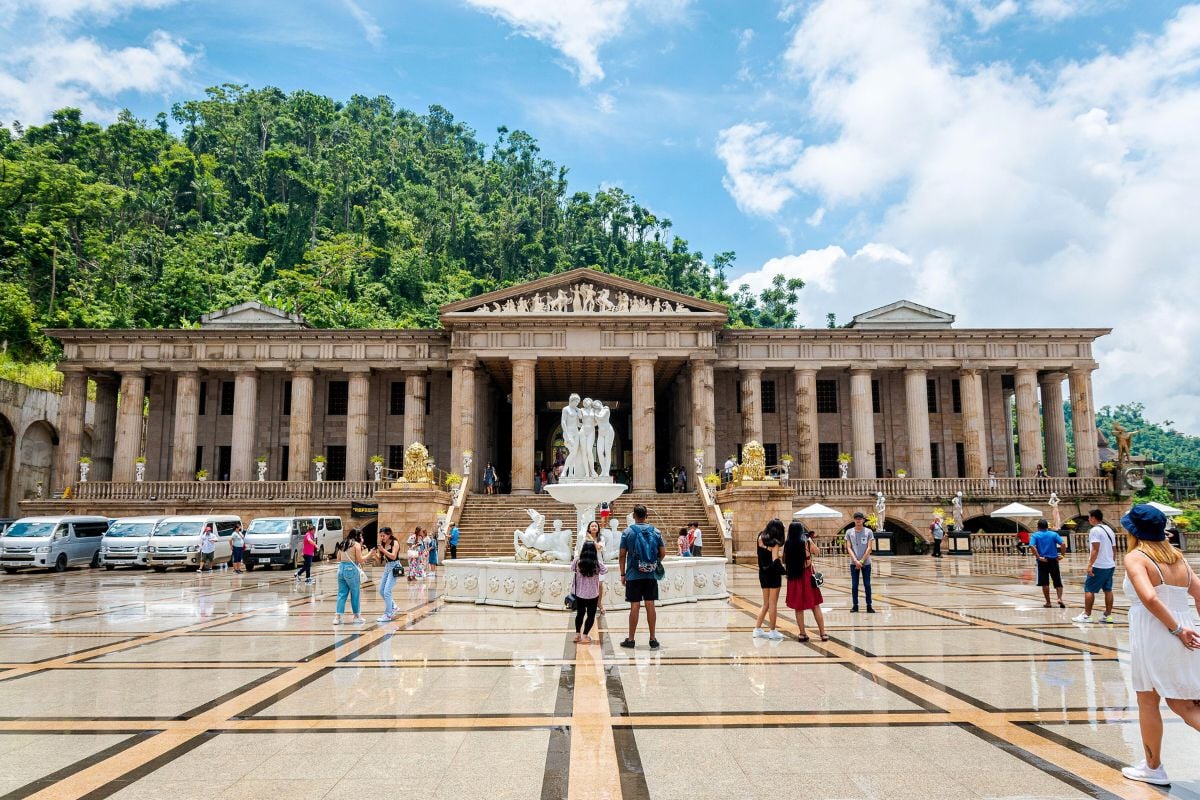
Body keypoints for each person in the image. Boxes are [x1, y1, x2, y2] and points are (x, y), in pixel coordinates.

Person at [1117, 504, 1200, 787]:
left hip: (1157, 631)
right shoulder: (1178, 558)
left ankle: (1154, 768)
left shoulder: (1136, 558)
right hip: (1182, 629)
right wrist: (1186, 626)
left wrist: (1176, 629)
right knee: (1182, 703)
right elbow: (1199, 595)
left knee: (1164, 703)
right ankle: (1151, 766)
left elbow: (1150, 599)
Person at [618, 504, 666, 649]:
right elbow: (662, 553)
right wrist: (652, 563)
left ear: (633, 516)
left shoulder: (627, 532)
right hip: (650, 575)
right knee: (650, 604)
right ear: (647, 515)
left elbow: (622, 554)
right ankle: (652, 638)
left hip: (633, 574)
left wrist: (622, 573)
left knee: (635, 605)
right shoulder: (656, 531)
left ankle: (631, 639)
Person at [783, 521, 827, 642]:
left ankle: (802, 633)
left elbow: (785, 560)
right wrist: (811, 541)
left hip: (793, 576)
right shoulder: (806, 542)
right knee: (815, 605)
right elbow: (817, 551)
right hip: (807, 576)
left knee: (798, 607)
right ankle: (822, 633)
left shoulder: (787, 544)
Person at [1074, 508, 1117, 624]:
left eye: (1089, 517)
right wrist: (1112, 562)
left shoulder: (1095, 530)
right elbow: (1114, 549)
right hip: (1109, 565)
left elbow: (1095, 549)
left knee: (1089, 589)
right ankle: (1107, 615)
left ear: (1093, 518)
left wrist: (1090, 565)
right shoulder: (1109, 529)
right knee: (1108, 589)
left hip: (1099, 565)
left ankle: (1087, 615)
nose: (1088, 520)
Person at [753, 519, 786, 640]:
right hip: (773, 575)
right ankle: (772, 631)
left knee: (765, 603)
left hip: (762, 573)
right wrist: (785, 571)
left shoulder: (760, 537)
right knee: (773, 604)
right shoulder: (775, 542)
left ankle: (757, 629)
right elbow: (775, 560)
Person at [571, 541, 608, 644]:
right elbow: (605, 570)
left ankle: (577, 634)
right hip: (593, 594)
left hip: (579, 593)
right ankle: (585, 635)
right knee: (591, 615)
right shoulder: (597, 564)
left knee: (580, 614)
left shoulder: (577, 561)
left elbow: (572, 569)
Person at [334, 528, 367, 625]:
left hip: (341, 569)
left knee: (341, 593)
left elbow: (338, 558)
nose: (361, 538)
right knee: (355, 593)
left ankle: (338, 617)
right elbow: (360, 560)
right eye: (360, 536)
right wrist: (370, 554)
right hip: (351, 570)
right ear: (357, 536)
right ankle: (356, 616)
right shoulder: (356, 545)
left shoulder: (343, 543)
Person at [1031, 519, 1066, 608]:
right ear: (1047, 526)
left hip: (1042, 561)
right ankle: (1059, 598)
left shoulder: (1035, 535)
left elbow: (1032, 546)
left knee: (1045, 583)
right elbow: (1063, 544)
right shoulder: (1053, 534)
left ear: (1038, 527)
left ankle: (1048, 602)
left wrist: (1038, 557)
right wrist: (1062, 555)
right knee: (1057, 580)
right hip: (1054, 560)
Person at [845, 512, 875, 613]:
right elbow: (848, 547)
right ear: (854, 520)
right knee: (854, 585)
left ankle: (869, 605)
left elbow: (869, 547)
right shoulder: (849, 532)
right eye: (856, 518)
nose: (858, 520)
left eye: (860, 518)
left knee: (867, 584)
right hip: (854, 563)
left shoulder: (868, 532)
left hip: (866, 562)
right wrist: (855, 561)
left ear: (863, 520)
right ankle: (855, 605)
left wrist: (861, 561)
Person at [374, 527, 402, 622]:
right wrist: (374, 553)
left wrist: (383, 550)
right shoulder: (383, 544)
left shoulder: (395, 542)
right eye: (381, 536)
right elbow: (380, 560)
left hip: (395, 567)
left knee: (387, 591)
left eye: (383, 535)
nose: (382, 537)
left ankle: (388, 614)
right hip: (387, 567)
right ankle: (394, 606)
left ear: (389, 534)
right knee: (381, 590)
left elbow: (393, 556)